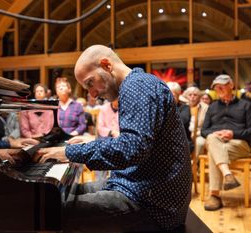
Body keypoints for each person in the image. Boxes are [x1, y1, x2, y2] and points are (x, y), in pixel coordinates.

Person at [36, 45, 192, 232]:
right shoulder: (136, 84)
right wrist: (90, 145)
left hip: (154, 204)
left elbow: (131, 149)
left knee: (54, 212)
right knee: (59, 196)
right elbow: (133, 143)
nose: (92, 94)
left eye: (90, 83)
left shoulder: (138, 86)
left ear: (106, 65)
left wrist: (69, 152)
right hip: (139, 185)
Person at [201, 74, 251, 211]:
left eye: (222, 84)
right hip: (217, 142)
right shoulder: (212, 107)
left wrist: (233, 133)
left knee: (212, 147)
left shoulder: (246, 105)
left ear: (231, 85)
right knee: (211, 139)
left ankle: (215, 196)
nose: (218, 88)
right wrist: (215, 134)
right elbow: (204, 131)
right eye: (215, 86)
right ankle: (227, 174)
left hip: (240, 144)